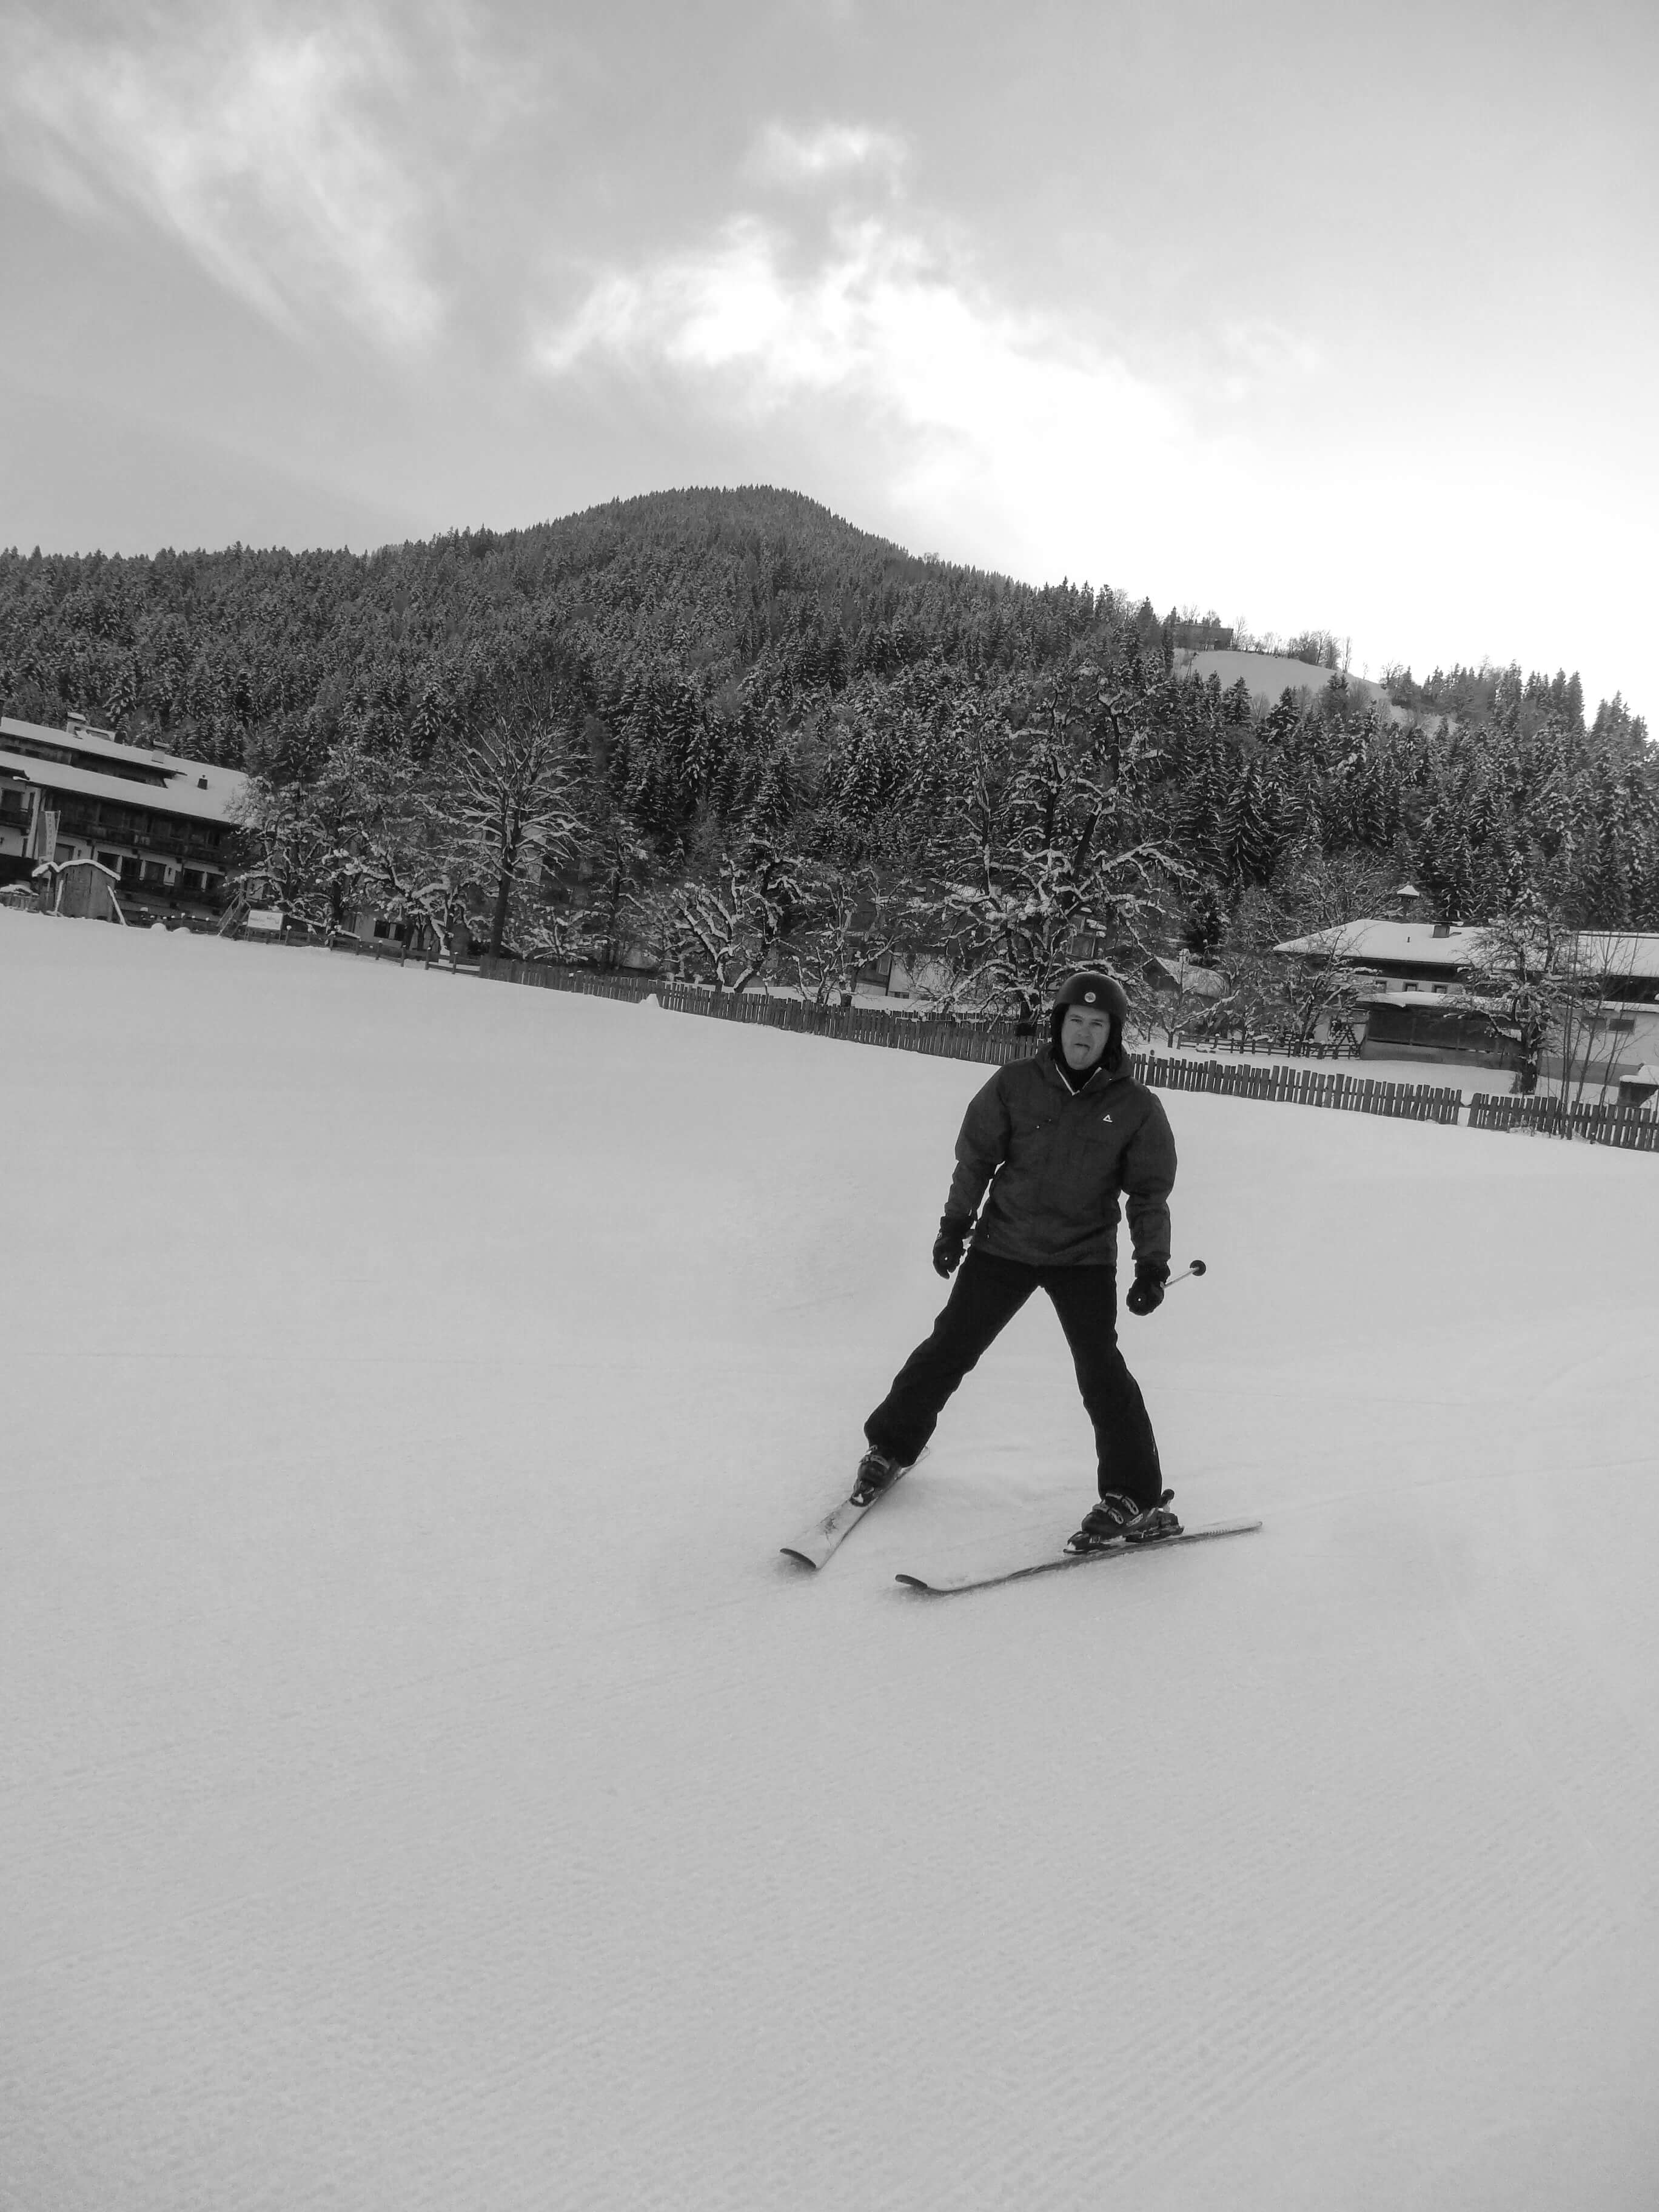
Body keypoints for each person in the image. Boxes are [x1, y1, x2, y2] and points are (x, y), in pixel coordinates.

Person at [854, 970, 1181, 1552]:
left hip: (1082, 1257)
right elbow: (974, 1161)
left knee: (1101, 1372)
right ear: (1058, 1027)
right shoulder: (1013, 1086)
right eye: (1075, 1022)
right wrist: (954, 1227)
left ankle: (1133, 1496)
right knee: (950, 1346)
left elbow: (1149, 1195)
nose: (1084, 1034)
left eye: (1097, 1025)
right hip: (1003, 1244)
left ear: (1114, 1036)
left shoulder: (1136, 1108)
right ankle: (891, 1446)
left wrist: (1152, 1268)